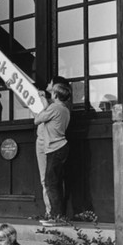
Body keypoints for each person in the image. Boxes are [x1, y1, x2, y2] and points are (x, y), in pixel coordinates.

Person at [34, 82, 71, 227]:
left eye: (52, 92)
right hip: (61, 146)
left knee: (51, 184)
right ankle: (57, 215)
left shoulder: (54, 107)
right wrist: (45, 101)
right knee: (55, 182)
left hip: (54, 149)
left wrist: (44, 104)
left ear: (55, 95)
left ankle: (57, 217)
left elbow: (37, 120)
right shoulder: (64, 109)